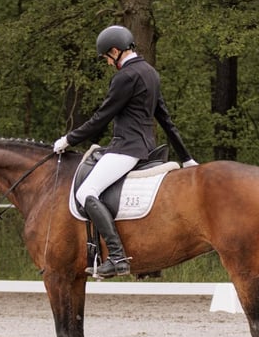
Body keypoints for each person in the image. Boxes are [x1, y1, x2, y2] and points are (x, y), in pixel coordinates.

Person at [54, 25, 198, 278]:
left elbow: (101, 117)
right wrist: (186, 158)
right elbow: (165, 119)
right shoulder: (150, 72)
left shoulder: (125, 77)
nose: (108, 63)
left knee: (86, 191)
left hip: (127, 149)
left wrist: (69, 139)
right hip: (146, 148)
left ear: (115, 51)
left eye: (107, 58)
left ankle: (117, 256)